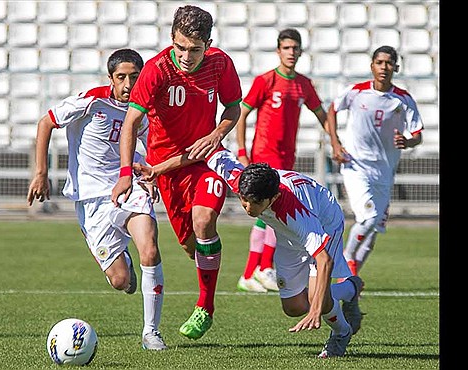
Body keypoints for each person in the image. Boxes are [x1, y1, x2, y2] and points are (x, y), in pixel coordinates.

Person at [132, 147, 364, 358]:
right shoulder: (239, 178)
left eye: (254, 203)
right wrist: (157, 169)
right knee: (293, 307)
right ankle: (351, 288)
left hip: (324, 221)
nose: (247, 208)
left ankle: (341, 334)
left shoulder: (295, 213)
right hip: (288, 234)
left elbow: (324, 260)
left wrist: (316, 310)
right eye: (244, 200)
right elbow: (201, 152)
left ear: (273, 198)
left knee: (317, 300)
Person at [110, 5, 242, 340]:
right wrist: (127, 172)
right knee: (191, 247)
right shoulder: (156, 70)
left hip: (206, 160)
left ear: (208, 44)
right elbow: (131, 123)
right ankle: (206, 285)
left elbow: (233, 107)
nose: (185, 56)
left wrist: (215, 135)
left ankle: (205, 307)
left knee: (203, 222)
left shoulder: (220, 64)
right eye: (180, 47)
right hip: (165, 169)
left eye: (195, 49)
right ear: (172, 39)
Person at [26, 49, 167, 351]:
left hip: (128, 186)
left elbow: (151, 147)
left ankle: (151, 332)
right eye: (122, 77)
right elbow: (46, 123)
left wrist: (151, 172)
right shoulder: (92, 100)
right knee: (120, 281)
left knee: (150, 247)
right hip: (91, 198)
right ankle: (122, 261)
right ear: (111, 78)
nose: (128, 84)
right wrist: (41, 173)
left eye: (134, 77)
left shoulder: (142, 110)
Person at [235, 28, 328, 293]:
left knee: (267, 215)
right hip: (264, 156)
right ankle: (263, 268)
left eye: (294, 48)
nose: (290, 52)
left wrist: (335, 140)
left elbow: (322, 113)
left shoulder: (303, 85)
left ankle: (252, 272)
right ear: (279, 51)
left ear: (300, 51)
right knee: (270, 212)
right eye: (286, 48)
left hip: (287, 157)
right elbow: (241, 114)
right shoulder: (266, 81)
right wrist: (242, 151)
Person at [324, 45, 424, 290]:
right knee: (367, 218)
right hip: (355, 167)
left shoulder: (403, 99)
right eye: (380, 62)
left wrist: (408, 141)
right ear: (372, 65)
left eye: (389, 63)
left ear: (396, 68)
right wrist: (336, 144)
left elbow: (418, 133)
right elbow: (332, 110)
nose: (384, 67)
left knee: (375, 227)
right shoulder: (356, 92)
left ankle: (348, 282)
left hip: (385, 172)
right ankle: (346, 264)